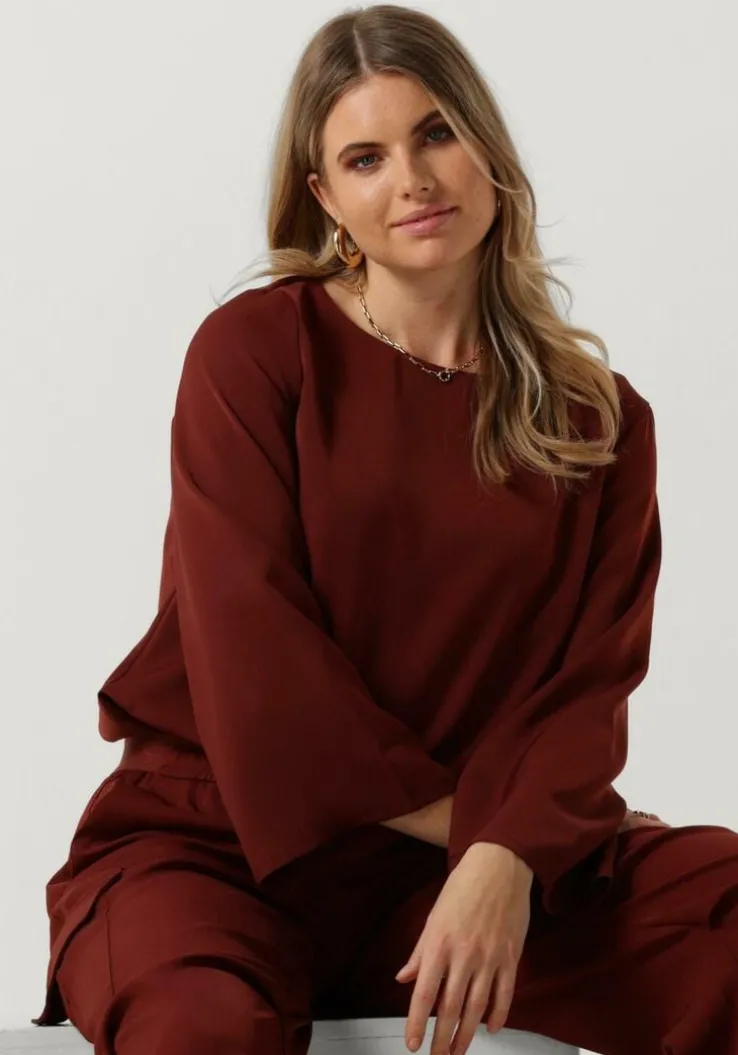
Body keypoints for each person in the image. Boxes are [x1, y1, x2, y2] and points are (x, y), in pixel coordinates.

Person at [32, 5, 737, 1055]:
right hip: (213, 849)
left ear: (487, 147)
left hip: (445, 882)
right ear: (325, 196)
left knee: (723, 911)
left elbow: (590, 689)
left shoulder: (599, 421)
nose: (413, 179)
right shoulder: (256, 352)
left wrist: (514, 852)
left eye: (436, 133)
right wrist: (501, 838)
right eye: (366, 157)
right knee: (201, 1031)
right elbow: (260, 670)